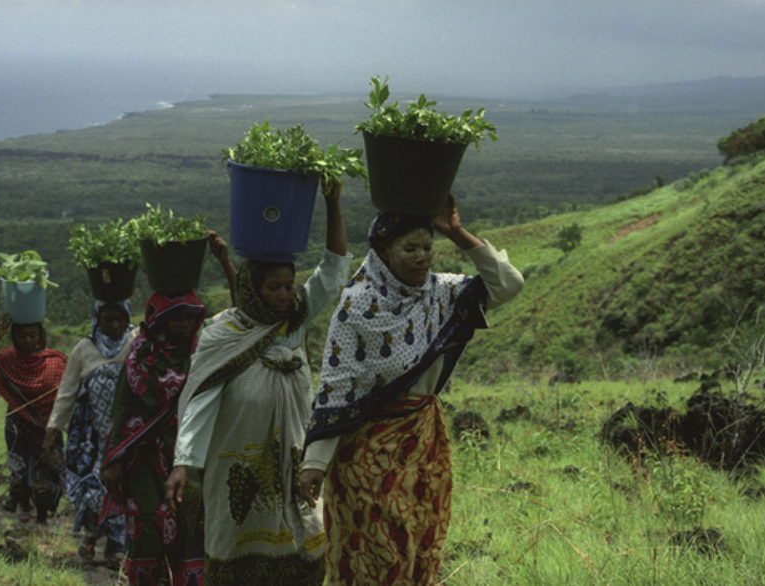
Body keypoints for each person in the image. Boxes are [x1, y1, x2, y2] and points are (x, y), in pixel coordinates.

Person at [299, 194, 524, 585]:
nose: (422, 257)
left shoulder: (442, 294)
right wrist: (315, 464)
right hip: (366, 457)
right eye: (410, 249)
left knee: (420, 542)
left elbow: (508, 284)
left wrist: (456, 232)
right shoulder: (356, 306)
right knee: (378, 553)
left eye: (427, 247)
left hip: (423, 448)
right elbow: (335, 385)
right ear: (384, 252)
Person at [165, 180, 352, 585]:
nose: (286, 295)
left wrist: (332, 203)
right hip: (240, 472)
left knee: (303, 548)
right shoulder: (224, 336)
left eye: (289, 286)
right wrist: (184, 461)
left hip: (295, 468)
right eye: (274, 288)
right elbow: (200, 401)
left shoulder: (293, 324)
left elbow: (334, 270)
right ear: (252, 289)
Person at [101, 232, 236, 586]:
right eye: (178, 318)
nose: (187, 325)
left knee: (191, 526)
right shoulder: (139, 358)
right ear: (158, 320)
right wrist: (115, 457)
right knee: (147, 527)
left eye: (191, 317)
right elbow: (122, 406)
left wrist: (224, 261)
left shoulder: (202, 350)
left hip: (192, 457)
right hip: (145, 461)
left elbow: (245, 314)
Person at [42, 299, 137, 565]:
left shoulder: (136, 342)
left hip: (127, 433)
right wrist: (52, 428)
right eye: (108, 320)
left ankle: (116, 545)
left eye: (120, 319)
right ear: (98, 320)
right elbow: (67, 391)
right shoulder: (85, 348)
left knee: (122, 486)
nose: (115, 325)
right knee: (94, 487)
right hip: (91, 434)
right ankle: (92, 533)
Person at [0, 314, 68, 527]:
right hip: (17, 426)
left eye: (32, 335)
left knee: (43, 476)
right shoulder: (7, 358)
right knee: (20, 473)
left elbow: (66, 395)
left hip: (48, 426)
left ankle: (42, 518)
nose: (27, 340)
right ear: (14, 337)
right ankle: (23, 504)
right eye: (21, 336)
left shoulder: (56, 361)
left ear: (40, 336)